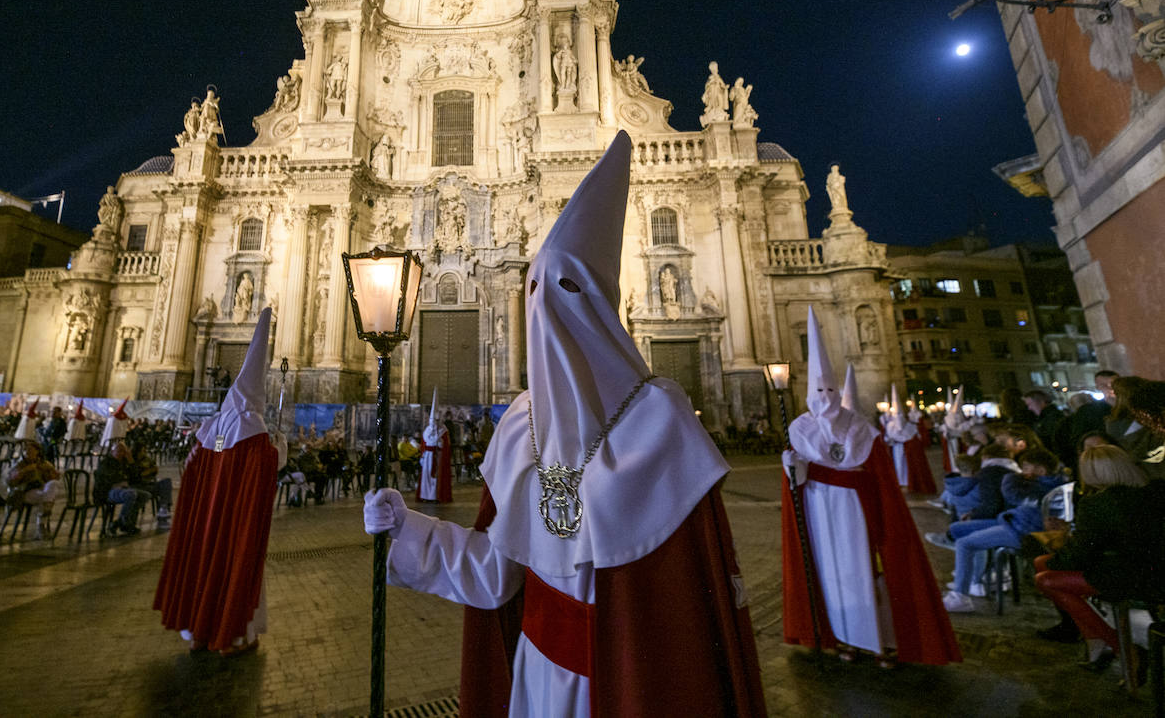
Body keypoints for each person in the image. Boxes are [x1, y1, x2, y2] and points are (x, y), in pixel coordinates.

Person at [363, 132, 767, 715]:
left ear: (602, 305)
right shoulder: (522, 432)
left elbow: (685, 608)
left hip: (631, 687)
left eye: (566, 290)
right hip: (537, 679)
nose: (547, 312)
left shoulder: (660, 427)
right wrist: (408, 529)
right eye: (534, 294)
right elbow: (494, 575)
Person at [781, 309, 960, 668]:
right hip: (819, 509)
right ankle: (842, 637)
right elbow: (798, 476)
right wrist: (791, 466)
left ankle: (881, 641)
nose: (827, 396)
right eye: (820, 390)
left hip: (858, 509)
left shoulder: (860, 426)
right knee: (831, 571)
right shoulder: (801, 427)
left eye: (831, 389)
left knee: (869, 569)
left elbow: (875, 473)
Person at [155, 307, 280, 655]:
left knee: (202, 569)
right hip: (235, 522)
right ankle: (233, 639)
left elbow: (194, 470)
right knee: (234, 570)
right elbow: (264, 468)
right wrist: (278, 446)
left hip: (205, 521)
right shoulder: (253, 429)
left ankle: (198, 633)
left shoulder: (211, 427)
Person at [1034, 445, 1165, 667]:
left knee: (1046, 579)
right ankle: (1097, 642)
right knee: (1043, 564)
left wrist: (1057, 554)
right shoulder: (1155, 491)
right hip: (1151, 568)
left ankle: (1122, 649)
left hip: (1135, 577)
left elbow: (1080, 555)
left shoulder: (1098, 503)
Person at [937, 447, 1067, 612]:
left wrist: (1012, 477)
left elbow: (1011, 494)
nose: (1023, 471)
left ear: (1041, 470)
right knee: (959, 529)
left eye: (1026, 467)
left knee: (965, 543)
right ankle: (973, 578)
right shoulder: (1050, 483)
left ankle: (961, 595)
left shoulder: (1042, 488)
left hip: (1022, 530)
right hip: (1014, 522)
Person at [5, 440, 61, 540]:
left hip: (41, 491)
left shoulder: (43, 463)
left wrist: (52, 473)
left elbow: (54, 478)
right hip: (25, 492)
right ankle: (42, 524)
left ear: (37, 452)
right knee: (45, 498)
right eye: (26, 450)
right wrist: (24, 471)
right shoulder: (20, 464)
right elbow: (9, 481)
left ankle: (45, 509)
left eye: (31, 450)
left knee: (54, 484)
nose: (28, 452)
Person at [93, 441, 147, 536]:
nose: (121, 454)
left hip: (123, 489)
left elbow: (136, 478)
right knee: (131, 494)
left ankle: (120, 523)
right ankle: (125, 522)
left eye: (124, 452)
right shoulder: (106, 462)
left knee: (145, 495)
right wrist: (120, 482)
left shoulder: (125, 463)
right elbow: (106, 478)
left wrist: (131, 462)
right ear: (112, 451)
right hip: (108, 491)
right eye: (119, 451)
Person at [416, 388, 452, 504]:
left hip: (437, 458)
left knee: (435, 478)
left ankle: (436, 496)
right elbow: (423, 444)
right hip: (427, 457)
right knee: (426, 477)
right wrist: (422, 455)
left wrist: (440, 445)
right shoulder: (427, 431)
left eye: (435, 420)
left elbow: (446, 446)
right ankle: (426, 495)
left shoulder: (443, 431)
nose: (433, 423)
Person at [128, 437, 172, 526]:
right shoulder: (131, 460)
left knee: (166, 482)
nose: (144, 453)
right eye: (142, 451)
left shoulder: (146, 459)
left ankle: (163, 507)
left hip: (149, 483)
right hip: (139, 485)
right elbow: (136, 475)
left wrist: (150, 471)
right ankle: (163, 508)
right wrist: (146, 472)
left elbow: (154, 469)